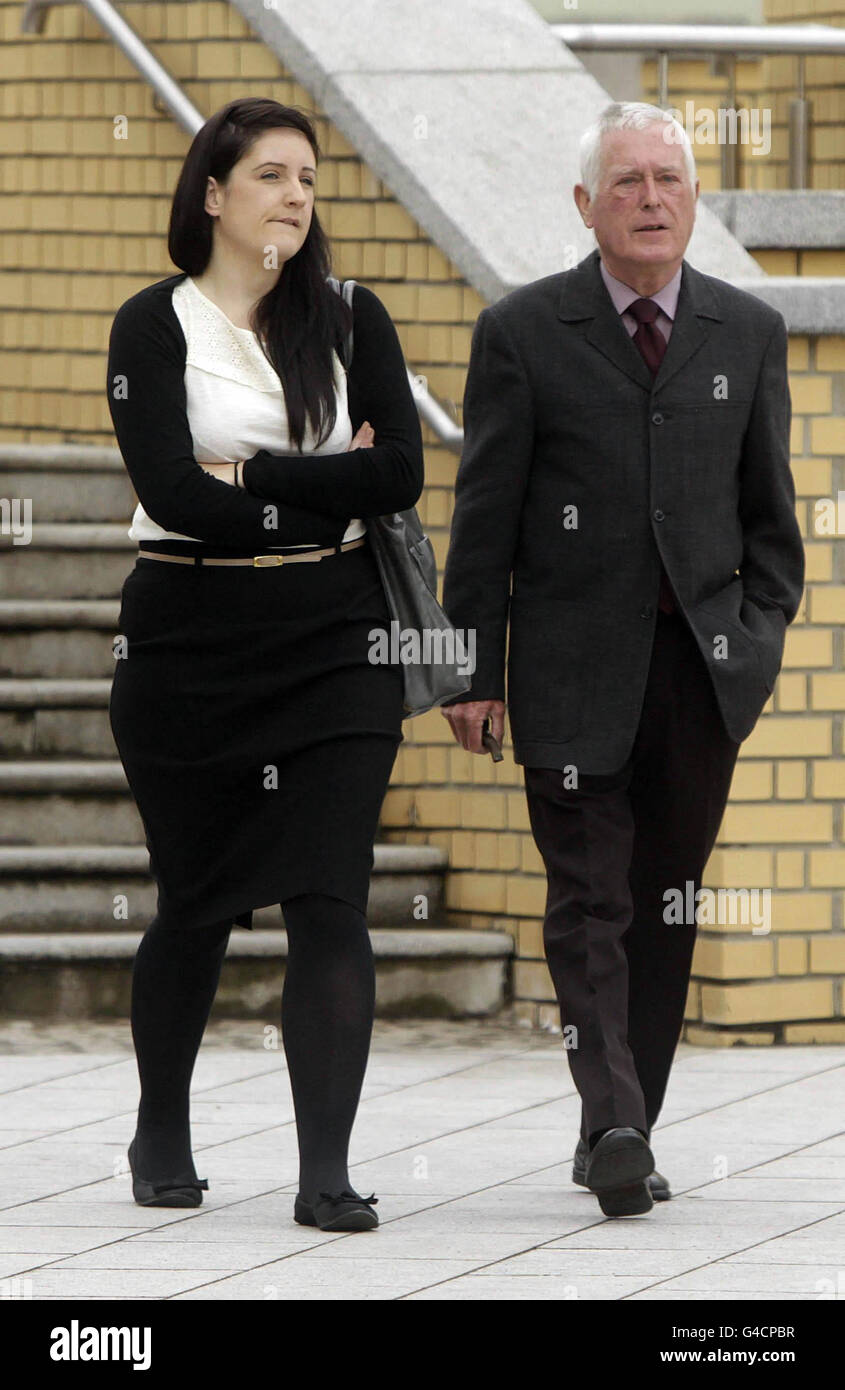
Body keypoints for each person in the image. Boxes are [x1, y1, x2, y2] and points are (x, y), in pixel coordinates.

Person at [440, 102, 804, 1217]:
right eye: (628, 181)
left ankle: (627, 1111)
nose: (650, 198)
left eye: (669, 180)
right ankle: (612, 1121)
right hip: (565, 674)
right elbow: (484, 515)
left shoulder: (744, 334)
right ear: (584, 205)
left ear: (691, 202)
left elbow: (769, 528)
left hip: (696, 677)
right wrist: (473, 668)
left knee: (663, 905)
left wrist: (750, 644)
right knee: (585, 902)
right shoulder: (521, 333)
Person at [106, 97, 423, 1233]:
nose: (295, 195)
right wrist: (314, 474)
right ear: (212, 194)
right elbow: (168, 493)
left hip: (338, 640)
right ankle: (160, 1126)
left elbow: (398, 479)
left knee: (329, 892)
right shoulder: (153, 326)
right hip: (188, 644)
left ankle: (325, 1171)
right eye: (272, 176)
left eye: (307, 178)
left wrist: (249, 478)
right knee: (193, 901)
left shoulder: (349, 316)